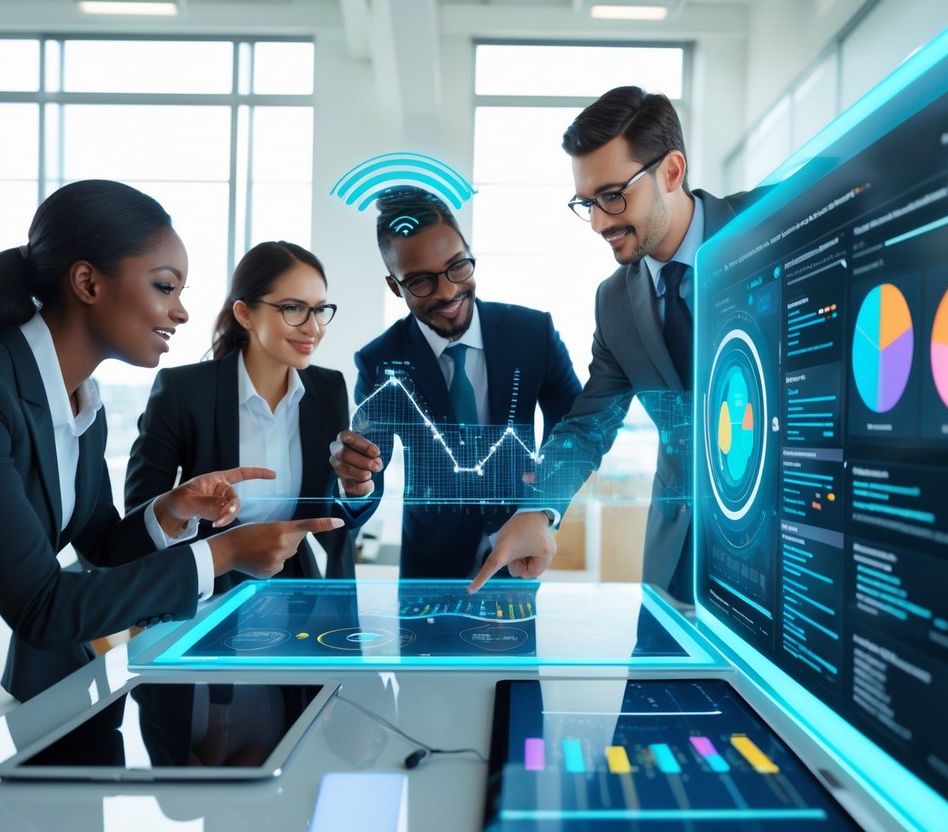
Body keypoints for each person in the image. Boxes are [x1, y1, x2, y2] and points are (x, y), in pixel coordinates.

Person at [0, 180, 342, 785]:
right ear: (89, 283)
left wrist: (172, 510)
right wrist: (223, 551)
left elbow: (98, 544)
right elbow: (43, 609)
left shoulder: (78, 403)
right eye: (165, 286)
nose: (179, 311)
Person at [469, 86, 754, 602]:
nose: (599, 222)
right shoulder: (615, 301)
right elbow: (586, 427)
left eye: (612, 195)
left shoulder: (770, 224)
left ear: (671, 171)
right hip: (679, 555)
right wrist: (538, 510)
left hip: (789, 547)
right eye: (587, 203)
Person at [330, 188, 582, 579]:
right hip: (428, 571)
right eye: (421, 282)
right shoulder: (378, 360)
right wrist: (356, 484)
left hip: (517, 561)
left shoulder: (534, 335)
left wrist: (542, 509)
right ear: (395, 286)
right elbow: (370, 476)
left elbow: (575, 430)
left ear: (469, 251)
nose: (448, 291)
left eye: (457, 266)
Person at [126, 241, 356, 588]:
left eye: (320, 309)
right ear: (245, 313)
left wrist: (359, 487)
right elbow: (141, 517)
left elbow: (332, 505)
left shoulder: (328, 390)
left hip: (299, 591)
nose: (313, 328)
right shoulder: (184, 391)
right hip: (206, 591)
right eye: (293, 308)